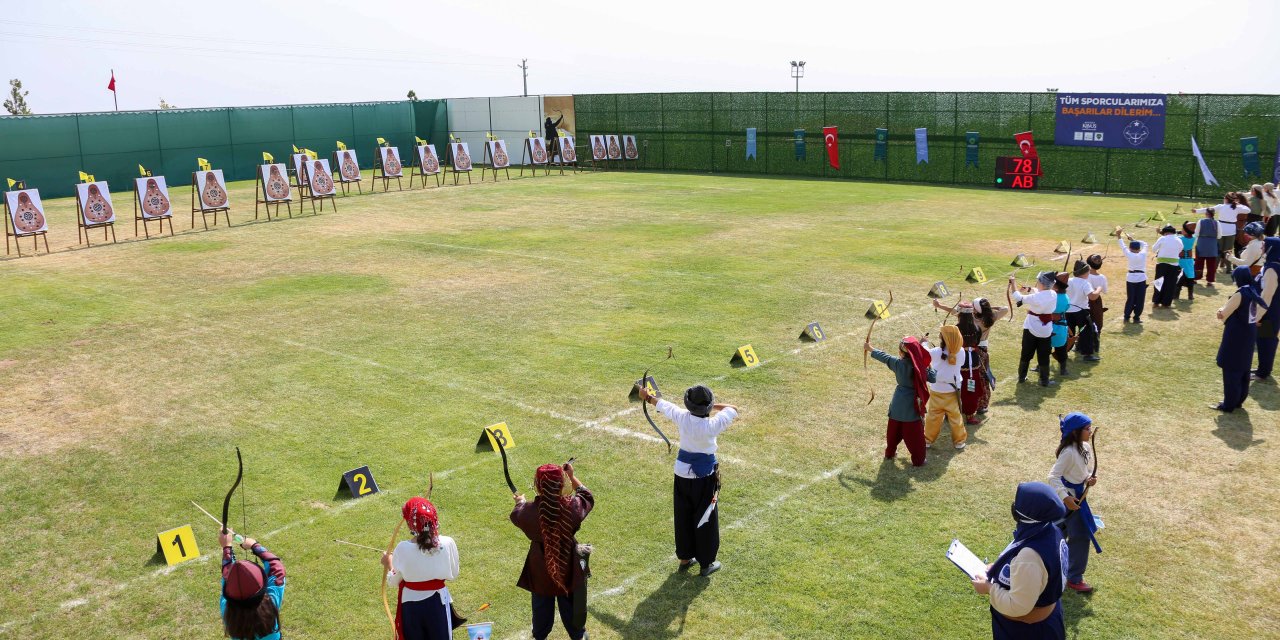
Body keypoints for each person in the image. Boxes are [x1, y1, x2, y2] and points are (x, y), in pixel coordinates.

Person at [637, 383, 738, 576]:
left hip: (682, 472)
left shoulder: (683, 417)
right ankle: (706, 563)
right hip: (705, 477)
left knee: (683, 513)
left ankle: (685, 557)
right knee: (705, 517)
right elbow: (732, 409)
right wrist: (713, 406)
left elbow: (663, 405)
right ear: (707, 407)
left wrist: (646, 397)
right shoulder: (712, 424)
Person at [970, 482, 1068, 640]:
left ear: (1028, 515)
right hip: (1045, 621)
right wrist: (1000, 568)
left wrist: (989, 588)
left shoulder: (1029, 557)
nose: (1014, 505)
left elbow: (1018, 606)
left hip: (1026, 631)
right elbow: (1038, 575)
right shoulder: (1050, 530)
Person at [510, 462, 594, 640]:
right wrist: (572, 476)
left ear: (538, 486)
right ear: (561, 484)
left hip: (541, 569)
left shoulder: (527, 512)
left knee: (540, 628)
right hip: (572, 567)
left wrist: (521, 503)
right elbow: (586, 496)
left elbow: (517, 514)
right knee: (578, 628)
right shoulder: (572, 507)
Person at [383, 497, 461, 640]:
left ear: (409, 523)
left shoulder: (402, 548)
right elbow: (454, 573)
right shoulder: (448, 543)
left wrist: (389, 564)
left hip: (411, 605)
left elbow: (393, 581)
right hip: (439, 603)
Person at [1047, 412, 1101, 594]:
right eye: (1087, 429)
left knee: (1058, 531)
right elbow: (1053, 476)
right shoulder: (1069, 452)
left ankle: (1051, 564)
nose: (1090, 431)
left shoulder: (1084, 446)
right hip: (1071, 500)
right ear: (1076, 432)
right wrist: (1065, 497)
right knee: (1080, 536)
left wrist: (1087, 479)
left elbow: (1080, 471)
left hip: (1078, 497)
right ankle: (1074, 577)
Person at [866, 336, 934, 466]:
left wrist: (870, 349)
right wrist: (926, 362)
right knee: (915, 435)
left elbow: (884, 356)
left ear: (901, 353)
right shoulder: (920, 368)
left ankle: (890, 452)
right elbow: (933, 377)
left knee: (893, 430)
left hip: (898, 403)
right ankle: (919, 459)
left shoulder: (897, 363)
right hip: (913, 405)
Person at [934, 297, 1008, 414]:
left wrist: (940, 305)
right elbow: (1005, 309)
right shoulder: (990, 318)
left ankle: (960, 404)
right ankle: (982, 405)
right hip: (981, 350)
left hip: (967, 351)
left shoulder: (971, 319)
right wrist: (989, 308)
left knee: (962, 377)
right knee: (982, 378)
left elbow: (956, 312)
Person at [1213, 267, 1269, 412]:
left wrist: (1219, 311)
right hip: (1249, 333)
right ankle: (1238, 400)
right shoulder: (1252, 290)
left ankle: (1229, 404)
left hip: (1236, 334)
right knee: (1243, 368)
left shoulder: (1240, 294)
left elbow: (1223, 314)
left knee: (1231, 368)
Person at [219, 529, 286, 640]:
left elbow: (227, 576)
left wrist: (226, 547)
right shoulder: (272, 602)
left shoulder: (225, 609)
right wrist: (254, 546)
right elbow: (277, 568)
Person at [1011, 272, 1060, 386]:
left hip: (1031, 328)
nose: (1037, 283)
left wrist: (1013, 283)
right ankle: (1044, 380)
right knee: (1044, 355)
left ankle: (1022, 377)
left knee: (1026, 353)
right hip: (1046, 330)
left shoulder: (1036, 297)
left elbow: (1018, 297)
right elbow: (1040, 292)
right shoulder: (1053, 293)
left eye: (1038, 281)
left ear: (1042, 284)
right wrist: (1029, 289)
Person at [923, 325, 968, 448]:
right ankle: (959, 441)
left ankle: (927, 440)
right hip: (953, 389)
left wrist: (924, 343)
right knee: (955, 416)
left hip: (937, 389)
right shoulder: (961, 351)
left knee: (933, 416)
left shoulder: (936, 352)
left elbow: (924, 354)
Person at [1193, 193, 1247, 270]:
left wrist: (1196, 211)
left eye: (1224, 198)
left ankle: (1215, 267)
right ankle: (1229, 268)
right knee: (1228, 250)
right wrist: (1238, 203)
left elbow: (1208, 209)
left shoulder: (1221, 206)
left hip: (1221, 230)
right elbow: (1248, 210)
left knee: (1218, 249)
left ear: (1226, 199)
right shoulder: (1236, 207)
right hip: (1231, 230)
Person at [1252, 238, 1280, 381]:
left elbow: (1267, 295)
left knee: (1266, 341)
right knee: (1265, 340)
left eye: (1264, 246)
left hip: (1269, 312)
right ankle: (1263, 368)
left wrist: (1257, 316)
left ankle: (1263, 372)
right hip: (1272, 310)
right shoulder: (1272, 265)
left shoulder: (1272, 269)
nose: (1262, 248)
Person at [1065, 260, 1101, 361]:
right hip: (1081, 312)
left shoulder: (1068, 281)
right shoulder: (1085, 283)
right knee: (1086, 332)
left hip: (1067, 312)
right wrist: (1098, 289)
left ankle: (1063, 351)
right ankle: (1087, 354)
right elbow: (1092, 297)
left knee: (1068, 333)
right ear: (1085, 272)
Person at [1115, 228, 1148, 323]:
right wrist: (1133, 239)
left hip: (1130, 279)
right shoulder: (1143, 253)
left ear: (1130, 248)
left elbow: (1122, 245)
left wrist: (1118, 235)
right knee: (1140, 299)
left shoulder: (1129, 254)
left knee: (1131, 298)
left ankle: (1126, 316)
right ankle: (1137, 317)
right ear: (1138, 249)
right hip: (1141, 279)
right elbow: (1145, 244)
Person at [1150, 224, 1183, 309]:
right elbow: (1180, 249)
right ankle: (1166, 303)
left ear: (1165, 232)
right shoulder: (1178, 240)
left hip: (1162, 264)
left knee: (1158, 282)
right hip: (1174, 265)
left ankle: (1156, 302)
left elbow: (1153, 249)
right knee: (1170, 284)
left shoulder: (1162, 238)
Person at [1085, 255, 1109, 354]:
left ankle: (1082, 343)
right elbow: (1105, 291)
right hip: (1096, 301)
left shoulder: (1085, 275)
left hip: (1085, 300)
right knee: (1097, 321)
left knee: (1085, 322)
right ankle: (1095, 343)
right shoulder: (1102, 277)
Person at [1193, 207, 1221, 287]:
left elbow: (1196, 233)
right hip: (1212, 244)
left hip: (1201, 243)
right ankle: (1210, 280)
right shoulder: (1217, 223)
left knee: (1199, 262)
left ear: (1206, 214)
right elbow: (1219, 236)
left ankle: (1196, 278)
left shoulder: (1201, 221)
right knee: (1211, 264)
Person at [1178, 222, 1197, 300]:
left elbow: (1173, 237)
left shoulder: (1180, 238)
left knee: (1179, 278)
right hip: (1189, 261)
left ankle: (1176, 294)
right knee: (1190, 278)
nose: (1181, 230)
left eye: (1182, 229)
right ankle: (1190, 295)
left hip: (1181, 261)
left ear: (1186, 231)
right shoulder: (1193, 238)